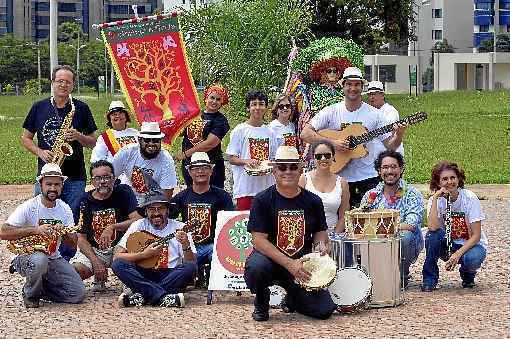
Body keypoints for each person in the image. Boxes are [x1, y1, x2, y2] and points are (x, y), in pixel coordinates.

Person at [244, 145, 336, 321]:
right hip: (270, 260)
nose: (288, 171)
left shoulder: (313, 201)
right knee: (256, 268)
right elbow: (258, 240)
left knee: (324, 310)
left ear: (301, 170)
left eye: (293, 167)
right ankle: (262, 301)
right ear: (274, 171)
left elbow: (320, 233)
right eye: (282, 167)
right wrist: (289, 264)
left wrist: (321, 246)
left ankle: (292, 298)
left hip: (301, 265)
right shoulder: (262, 200)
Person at [301, 67, 407, 207]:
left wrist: (399, 134)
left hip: (369, 177)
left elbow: (390, 145)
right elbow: (305, 133)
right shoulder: (331, 111)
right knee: (343, 218)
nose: (353, 88)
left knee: (370, 218)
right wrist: (332, 143)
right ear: (343, 86)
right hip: (340, 176)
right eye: (349, 84)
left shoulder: (375, 114)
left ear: (362, 87)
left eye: (357, 84)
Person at [21, 65, 97, 259]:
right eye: (60, 81)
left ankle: (65, 262)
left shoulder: (80, 108)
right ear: (53, 83)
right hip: (47, 174)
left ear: (73, 85)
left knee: (69, 221)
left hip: (75, 177)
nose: (63, 85)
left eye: (68, 82)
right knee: (42, 217)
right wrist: (40, 152)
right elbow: (25, 138)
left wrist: (78, 136)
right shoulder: (39, 107)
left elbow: (93, 142)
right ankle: (41, 257)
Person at [0, 163, 85, 308]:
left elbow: (72, 244)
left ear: (62, 185)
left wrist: (63, 232)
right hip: (26, 255)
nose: (53, 188)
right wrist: (35, 230)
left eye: (57, 184)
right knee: (40, 259)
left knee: (77, 294)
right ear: (41, 184)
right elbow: (3, 232)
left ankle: (40, 288)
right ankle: (30, 295)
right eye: (49, 184)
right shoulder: (29, 206)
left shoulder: (64, 209)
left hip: (53, 256)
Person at [286, 37, 364, 164]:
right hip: (318, 137)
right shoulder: (311, 91)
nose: (333, 73)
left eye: (336, 70)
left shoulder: (346, 92)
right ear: (321, 72)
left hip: (344, 139)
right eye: (329, 71)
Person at [112, 192, 197, 308]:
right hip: (143, 273)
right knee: (118, 264)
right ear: (146, 211)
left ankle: (142, 296)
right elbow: (118, 256)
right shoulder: (138, 225)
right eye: (151, 209)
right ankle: (163, 298)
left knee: (190, 267)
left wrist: (186, 245)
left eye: (160, 209)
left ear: (167, 210)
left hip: (169, 274)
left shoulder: (181, 227)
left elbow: (192, 262)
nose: (156, 213)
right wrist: (143, 255)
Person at [71, 160, 141, 292]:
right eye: (97, 178)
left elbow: (137, 220)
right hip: (95, 249)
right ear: (92, 181)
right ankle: (97, 275)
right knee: (74, 272)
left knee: (134, 250)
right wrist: (96, 262)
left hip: (120, 246)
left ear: (114, 179)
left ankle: (130, 280)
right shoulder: (83, 201)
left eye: (106, 177)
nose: (102, 182)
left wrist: (112, 227)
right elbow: (81, 238)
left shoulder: (124, 192)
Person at [360, 150, 424, 287]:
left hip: (404, 242)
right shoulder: (370, 195)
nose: (390, 171)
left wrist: (382, 227)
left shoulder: (412, 193)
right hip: (377, 242)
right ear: (379, 171)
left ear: (401, 169)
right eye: (385, 167)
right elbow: (362, 220)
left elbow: (411, 224)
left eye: (394, 167)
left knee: (405, 236)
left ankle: (402, 274)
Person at [421, 161, 488, 292]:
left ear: (459, 179)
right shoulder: (435, 200)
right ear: (438, 183)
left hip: (469, 245)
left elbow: (476, 235)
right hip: (446, 244)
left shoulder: (469, 198)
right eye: (444, 179)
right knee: (431, 236)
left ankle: (468, 273)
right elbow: (433, 228)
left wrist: (457, 254)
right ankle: (430, 278)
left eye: (453, 178)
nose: (450, 182)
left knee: (472, 258)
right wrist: (435, 198)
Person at [171, 152, 234, 287]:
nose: (200, 171)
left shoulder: (222, 196)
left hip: (213, 245)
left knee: (216, 251)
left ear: (211, 170)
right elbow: (169, 218)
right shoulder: (181, 196)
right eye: (196, 168)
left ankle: (211, 275)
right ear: (189, 171)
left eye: (205, 167)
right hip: (189, 246)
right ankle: (194, 273)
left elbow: (231, 222)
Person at [226, 90, 277, 210]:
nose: (257, 107)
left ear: (266, 108)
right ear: (248, 108)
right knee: (245, 225)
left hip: (267, 188)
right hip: (245, 189)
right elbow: (232, 158)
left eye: (261, 104)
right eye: (254, 104)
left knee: (266, 226)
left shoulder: (271, 132)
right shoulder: (240, 130)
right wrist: (247, 161)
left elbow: (273, 159)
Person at [175, 84, 230, 189]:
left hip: (211, 167)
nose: (214, 101)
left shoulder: (220, 120)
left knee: (214, 200)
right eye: (212, 98)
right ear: (206, 98)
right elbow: (181, 132)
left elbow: (209, 144)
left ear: (221, 103)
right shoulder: (194, 115)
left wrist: (185, 154)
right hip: (190, 165)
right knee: (192, 197)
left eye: (218, 99)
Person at [112, 121, 177, 203]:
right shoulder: (126, 152)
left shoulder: (166, 159)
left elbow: (167, 194)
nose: (151, 144)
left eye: (156, 140)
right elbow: (109, 176)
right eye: (147, 140)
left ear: (161, 141)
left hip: (153, 201)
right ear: (139, 140)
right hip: (127, 197)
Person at [298, 140, 349, 233]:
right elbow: (297, 211)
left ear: (333, 157)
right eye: (318, 156)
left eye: (327, 155)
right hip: (308, 236)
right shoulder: (303, 179)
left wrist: (333, 238)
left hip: (333, 236)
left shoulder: (342, 183)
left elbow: (344, 216)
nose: (323, 159)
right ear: (313, 158)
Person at [366, 81, 404, 156]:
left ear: (382, 95)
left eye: (374, 94)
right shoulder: (368, 112)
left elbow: (389, 132)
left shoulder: (390, 111)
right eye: (369, 95)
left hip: (391, 153)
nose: (371, 97)